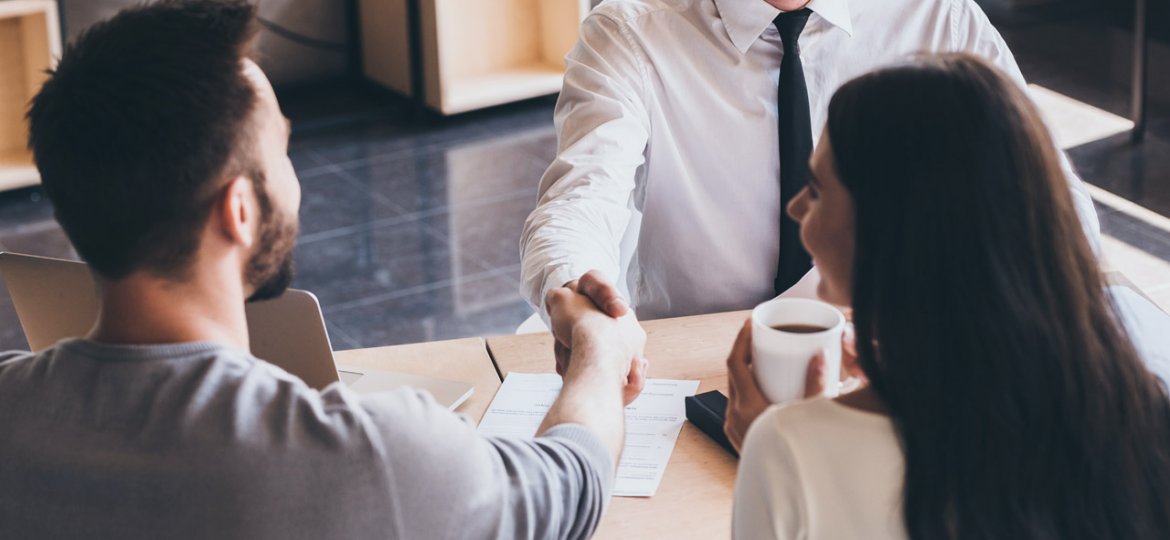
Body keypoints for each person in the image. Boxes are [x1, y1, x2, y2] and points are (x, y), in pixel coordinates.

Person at [0, 2, 648, 538]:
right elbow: (574, 481)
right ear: (241, 209)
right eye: (283, 145)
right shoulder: (374, 458)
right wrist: (598, 350)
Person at [725, 54, 1170, 539]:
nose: (794, 208)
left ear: (889, 234)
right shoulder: (1140, 411)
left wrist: (783, 449)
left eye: (815, 191)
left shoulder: (787, 450)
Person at [520, 0, 1103, 357]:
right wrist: (582, 303)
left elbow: (1052, 204)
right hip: (689, 358)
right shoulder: (630, 30)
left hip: (892, 350)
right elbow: (579, 200)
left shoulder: (938, 14)